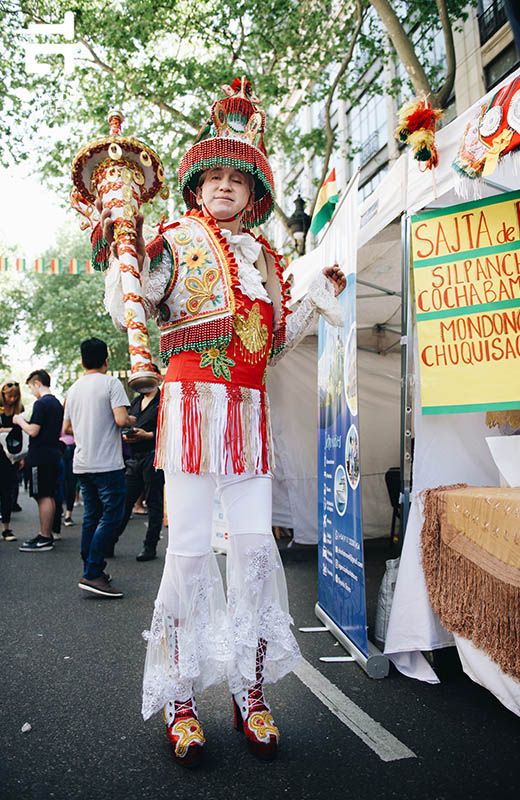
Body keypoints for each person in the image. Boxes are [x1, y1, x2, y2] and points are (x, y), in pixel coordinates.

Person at [99, 78, 346, 765]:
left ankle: (251, 689)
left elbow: (272, 345)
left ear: (255, 193)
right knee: (184, 558)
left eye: (240, 178)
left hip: (248, 418)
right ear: (196, 187)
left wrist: (315, 293)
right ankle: (180, 698)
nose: (227, 186)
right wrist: (128, 236)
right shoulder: (175, 238)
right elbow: (136, 295)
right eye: (214, 176)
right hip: (189, 412)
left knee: (256, 555)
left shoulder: (265, 258)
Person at [63, 338, 135, 598]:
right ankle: (93, 572)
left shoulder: (73, 389)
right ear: (106, 361)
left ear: (82, 362)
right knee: (112, 516)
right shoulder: (111, 383)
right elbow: (121, 419)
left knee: (92, 517)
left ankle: (92, 569)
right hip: (107, 463)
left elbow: (67, 429)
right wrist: (131, 420)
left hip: (82, 462)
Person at [113, 366, 164, 562]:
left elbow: (170, 429)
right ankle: (110, 541)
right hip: (134, 457)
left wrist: (149, 435)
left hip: (153, 456)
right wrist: (128, 436)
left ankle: (149, 546)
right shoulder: (136, 401)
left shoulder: (164, 401)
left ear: (156, 377)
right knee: (125, 501)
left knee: (154, 502)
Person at [15, 370, 64, 552]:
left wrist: (20, 421)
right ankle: (47, 534)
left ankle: (44, 536)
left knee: (42, 495)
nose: (31, 391)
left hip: (40, 455)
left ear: (37, 383)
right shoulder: (57, 403)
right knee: (49, 494)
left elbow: (33, 431)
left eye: (30, 387)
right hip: (52, 453)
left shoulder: (41, 403)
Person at [0, 379, 24, 541]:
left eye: (15, 396)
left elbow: (22, 434)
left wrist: (22, 457)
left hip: (11, 456)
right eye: (9, 396)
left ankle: (6, 529)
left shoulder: (19, 409)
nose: (12, 399)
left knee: (6, 492)